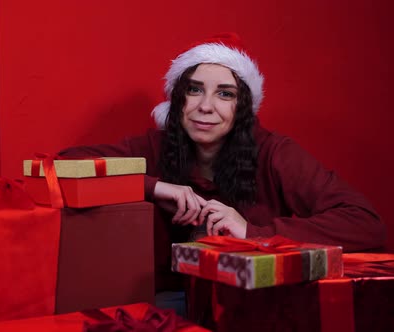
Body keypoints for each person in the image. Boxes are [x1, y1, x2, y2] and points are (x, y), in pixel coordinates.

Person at [58, 32, 386, 295]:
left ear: (242, 107)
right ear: (177, 98)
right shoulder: (153, 146)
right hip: (165, 302)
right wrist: (154, 187)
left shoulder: (273, 152)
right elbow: (62, 165)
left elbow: (365, 223)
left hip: (252, 303)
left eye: (224, 94)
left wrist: (252, 232)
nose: (205, 106)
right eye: (194, 90)